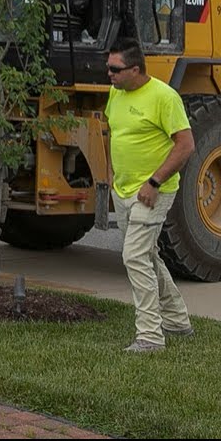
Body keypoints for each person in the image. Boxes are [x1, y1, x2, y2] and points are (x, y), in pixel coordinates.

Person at [105, 37, 196, 352]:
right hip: (124, 189)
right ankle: (178, 320)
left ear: (135, 69)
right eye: (108, 68)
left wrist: (154, 182)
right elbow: (113, 133)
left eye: (115, 69)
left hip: (154, 192)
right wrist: (110, 175)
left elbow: (186, 145)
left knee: (134, 256)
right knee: (147, 256)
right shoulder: (115, 94)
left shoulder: (164, 96)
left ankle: (150, 336)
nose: (110, 75)